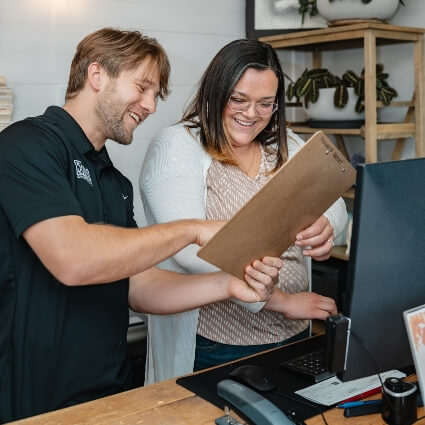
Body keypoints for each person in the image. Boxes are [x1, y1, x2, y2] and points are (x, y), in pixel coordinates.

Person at [0, 29, 283, 423]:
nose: (150, 105)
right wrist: (192, 229)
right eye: (143, 87)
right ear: (96, 75)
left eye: (156, 94)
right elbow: (72, 259)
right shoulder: (26, 145)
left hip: (110, 398)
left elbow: (140, 284)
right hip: (34, 401)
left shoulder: (114, 183)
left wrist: (230, 285)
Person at [140, 38, 346, 385]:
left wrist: (329, 224)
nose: (251, 115)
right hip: (216, 344)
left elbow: (334, 194)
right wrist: (282, 301)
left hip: (294, 332)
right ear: (215, 92)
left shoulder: (284, 143)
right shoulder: (178, 144)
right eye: (239, 99)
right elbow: (191, 250)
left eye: (265, 104)